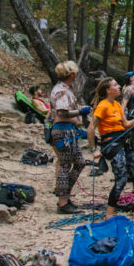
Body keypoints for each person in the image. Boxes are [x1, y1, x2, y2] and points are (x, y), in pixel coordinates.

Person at [88, 77, 134, 217]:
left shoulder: (117, 105)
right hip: (112, 144)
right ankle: (109, 214)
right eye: (115, 85)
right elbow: (91, 127)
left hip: (124, 141)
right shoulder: (103, 106)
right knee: (122, 178)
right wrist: (94, 149)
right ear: (108, 90)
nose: (119, 87)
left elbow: (125, 124)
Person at [48, 60, 90, 214]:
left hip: (70, 131)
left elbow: (68, 108)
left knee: (80, 162)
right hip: (63, 131)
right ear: (72, 74)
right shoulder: (62, 91)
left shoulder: (67, 89)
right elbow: (62, 112)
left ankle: (65, 194)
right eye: (76, 73)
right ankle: (62, 202)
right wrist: (80, 112)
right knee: (65, 165)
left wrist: (81, 109)